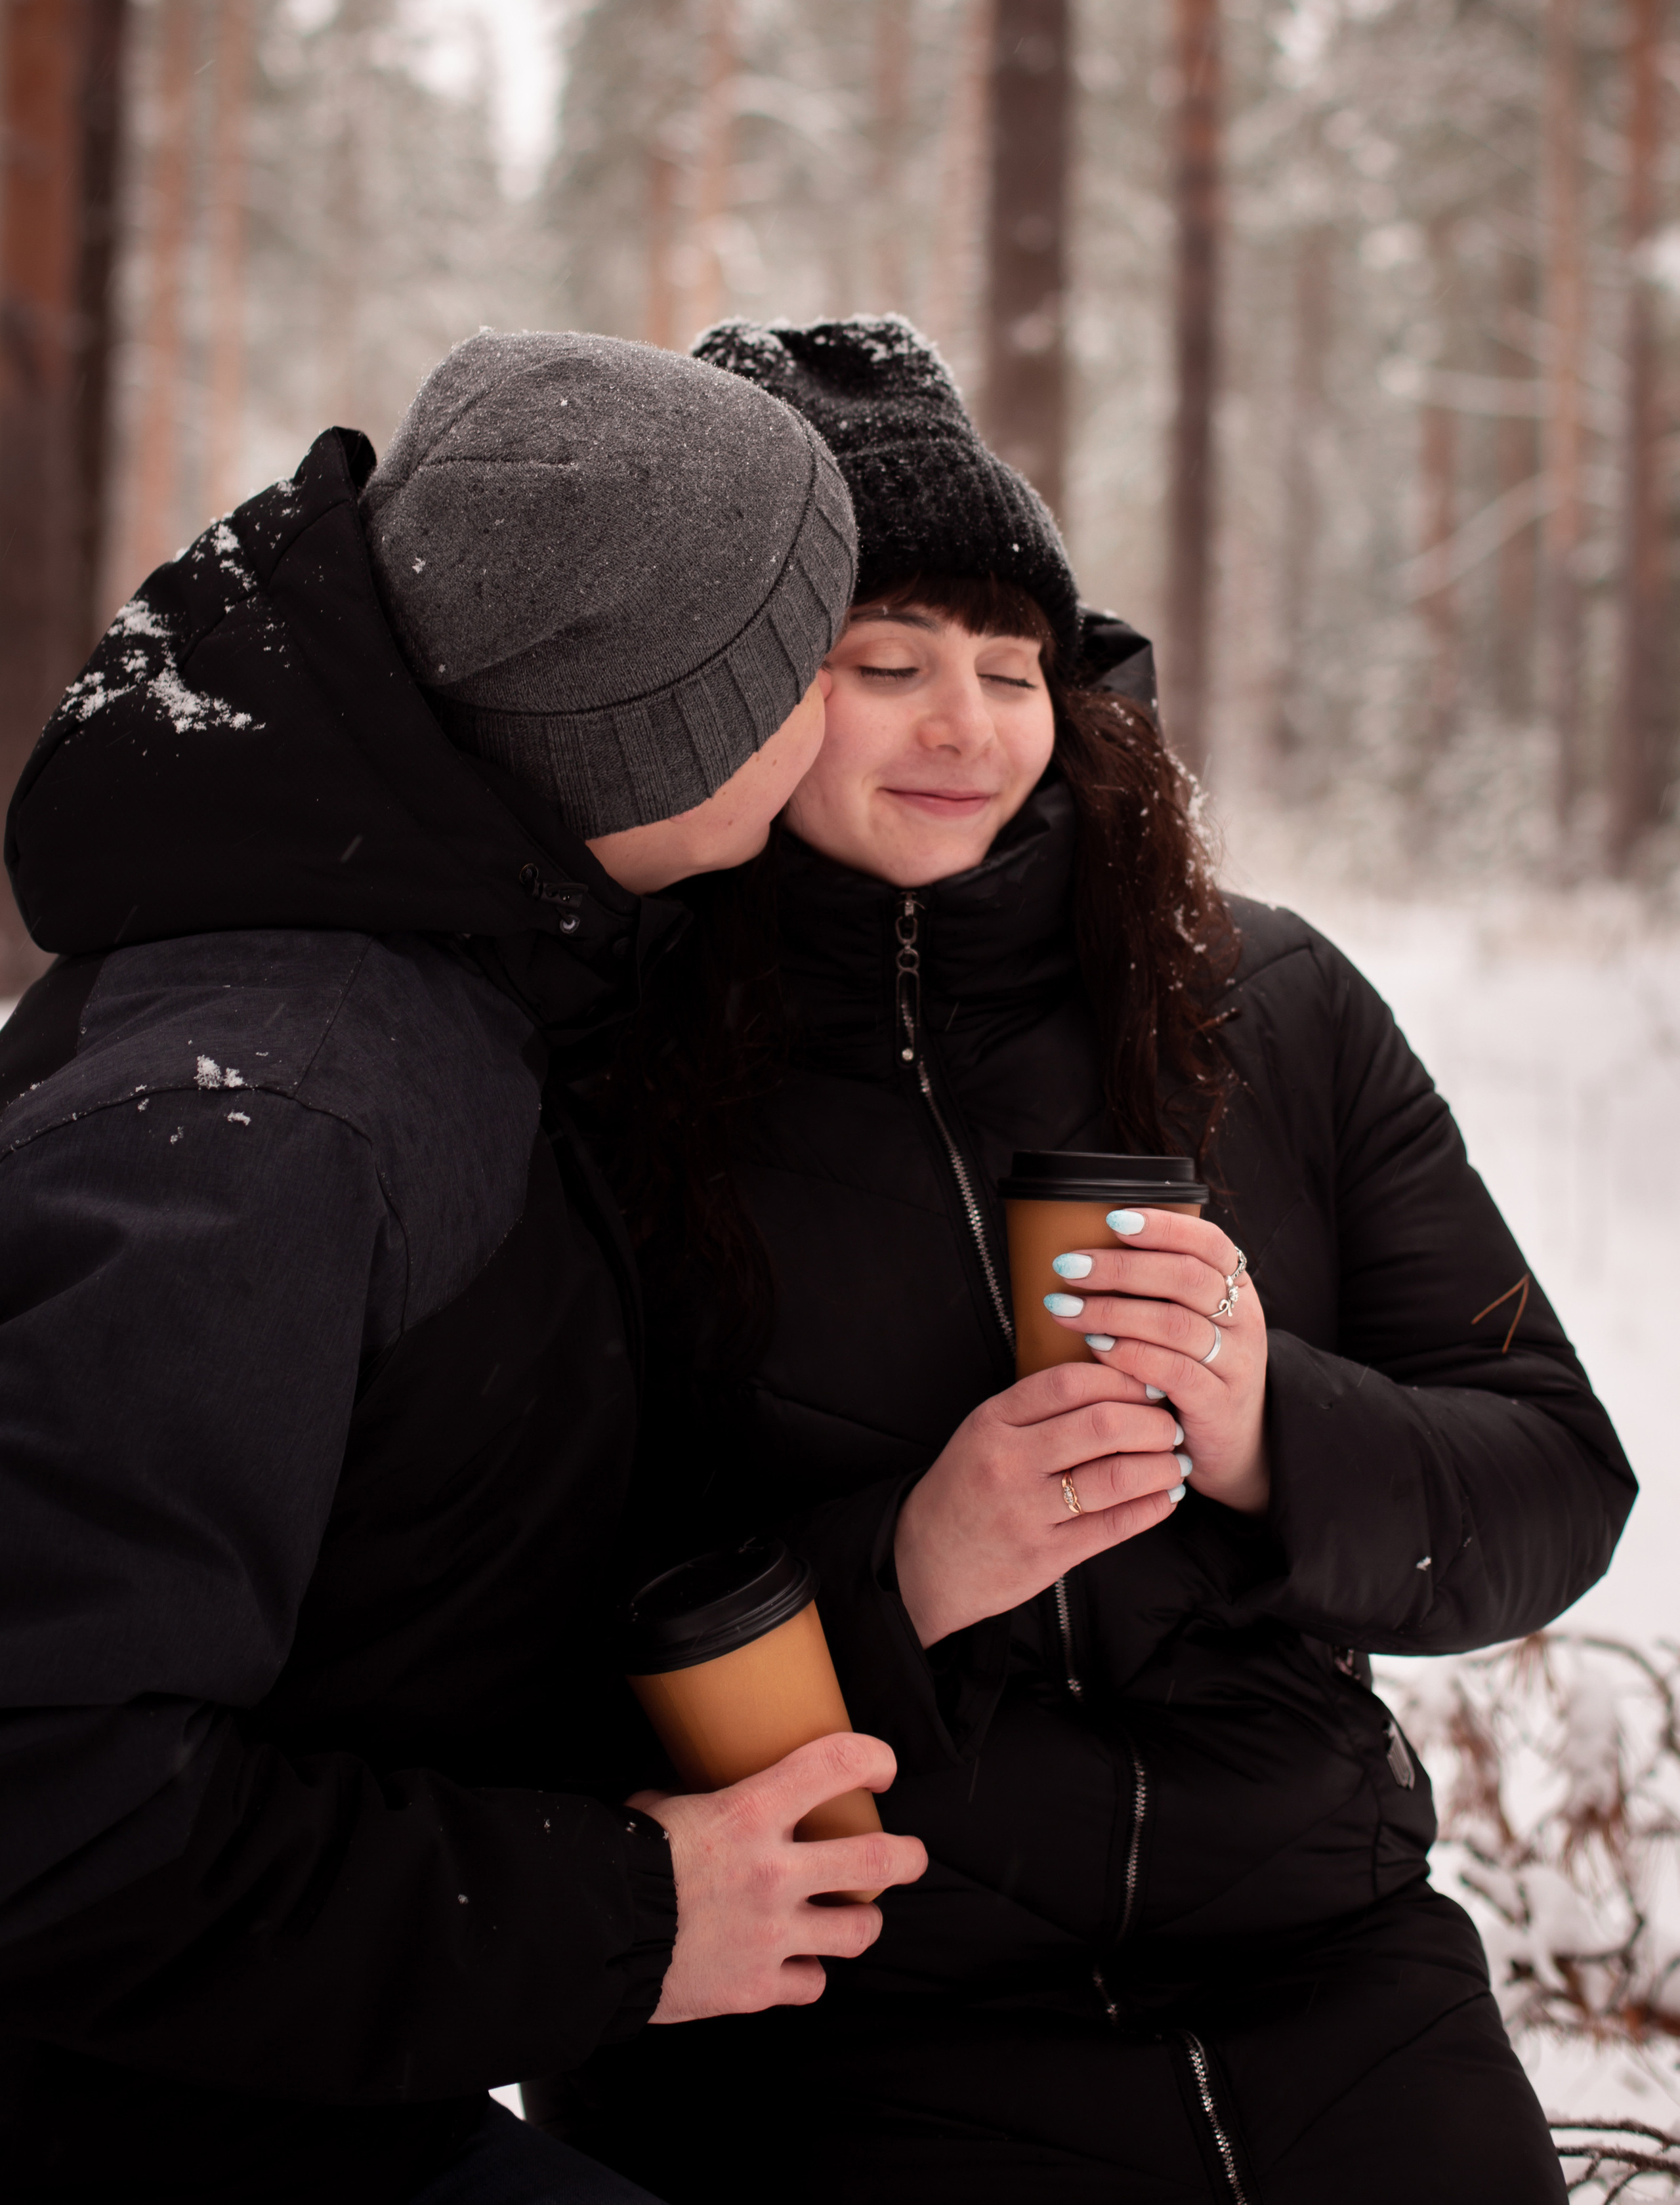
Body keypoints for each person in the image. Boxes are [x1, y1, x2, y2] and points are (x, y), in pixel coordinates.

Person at [548, 319, 1637, 2204]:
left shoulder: (1261, 1000)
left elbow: (1553, 1480)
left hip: (1331, 1966)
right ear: (736, 689)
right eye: (886, 663)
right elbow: (501, 1655)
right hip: (850, 2011)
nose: (966, 727)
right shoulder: (587, 1071)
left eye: (1012, 665)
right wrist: (907, 1573)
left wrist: (1271, 1427)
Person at [0, 331, 925, 2205]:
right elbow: (44, 1798)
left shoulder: (457, 972)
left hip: (261, 2068)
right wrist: (624, 1917)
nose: (847, 721)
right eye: (804, 668)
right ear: (661, 729)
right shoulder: (271, 1129)